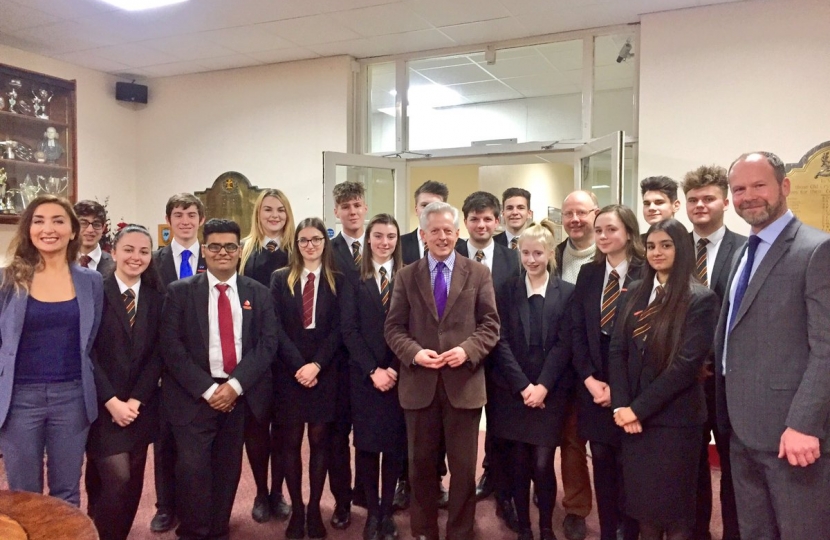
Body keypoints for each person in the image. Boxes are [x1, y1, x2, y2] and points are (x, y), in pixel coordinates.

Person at [715, 152, 830, 539]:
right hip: (741, 428)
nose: (748, 196)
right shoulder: (744, 251)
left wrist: (804, 423)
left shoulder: (817, 250)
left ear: (784, 186)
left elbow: (827, 347)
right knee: (755, 531)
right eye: (739, 189)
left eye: (758, 185)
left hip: (789, 434)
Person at [384, 201, 500, 540]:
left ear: (458, 232)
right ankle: (423, 530)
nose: (442, 236)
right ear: (422, 234)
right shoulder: (406, 276)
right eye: (434, 230)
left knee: (463, 470)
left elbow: (491, 325)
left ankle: (461, 531)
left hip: (463, 385)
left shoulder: (478, 273)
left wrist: (466, 350)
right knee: (420, 466)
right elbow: (393, 328)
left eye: (449, 230)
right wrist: (415, 354)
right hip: (419, 384)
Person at [160, 218, 278, 540]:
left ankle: (219, 529)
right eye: (214, 246)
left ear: (239, 251)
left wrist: (234, 386)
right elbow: (171, 347)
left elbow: (267, 345)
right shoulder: (180, 293)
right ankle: (195, 532)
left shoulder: (259, 293)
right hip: (194, 394)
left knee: (228, 469)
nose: (222, 252)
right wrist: (210, 389)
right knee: (193, 469)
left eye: (230, 246)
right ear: (205, 250)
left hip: (239, 394)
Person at [610, 218, 719, 540]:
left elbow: (685, 366)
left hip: (674, 422)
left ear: (681, 249)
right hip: (633, 422)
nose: (657, 252)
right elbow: (617, 350)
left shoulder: (699, 298)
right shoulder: (633, 293)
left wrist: (637, 410)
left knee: (675, 513)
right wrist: (620, 406)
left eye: (666, 245)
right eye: (652, 245)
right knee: (644, 509)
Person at [0, 195, 103, 506]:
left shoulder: (92, 281)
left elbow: (91, 338)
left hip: (72, 396)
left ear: (73, 231)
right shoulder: (7, 278)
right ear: (29, 229)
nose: (49, 228)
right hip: (19, 398)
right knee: (23, 494)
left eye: (58, 220)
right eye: (39, 220)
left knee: (67, 492)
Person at [492, 219, 574, 540]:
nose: (531, 259)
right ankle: (525, 527)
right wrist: (524, 386)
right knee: (519, 465)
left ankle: (545, 527)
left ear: (551, 253)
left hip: (549, 393)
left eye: (538, 253)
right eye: (525, 253)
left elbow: (564, 344)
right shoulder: (506, 290)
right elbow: (500, 341)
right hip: (513, 392)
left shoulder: (567, 293)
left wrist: (542, 387)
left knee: (542, 464)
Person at [86, 224, 164, 540]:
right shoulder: (94, 291)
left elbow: (159, 352)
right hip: (101, 403)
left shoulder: (159, 296)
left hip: (139, 405)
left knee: (132, 480)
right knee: (115, 476)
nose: (136, 257)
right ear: (113, 251)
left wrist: (135, 400)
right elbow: (85, 350)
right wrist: (111, 401)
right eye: (129, 249)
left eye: (144, 251)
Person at [571, 205, 644, 540]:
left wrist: (620, 389)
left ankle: (629, 531)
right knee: (600, 458)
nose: (602, 236)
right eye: (598, 230)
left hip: (631, 387)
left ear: (629, 232)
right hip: (594, 385)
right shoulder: (588, 274)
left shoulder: (647, 272)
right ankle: (606, 530)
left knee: (628, 464)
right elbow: (575, 331)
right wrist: (588, 379)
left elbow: (650, 340)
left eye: (611, 229)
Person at [271, 217, 345, 540]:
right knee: (289, 443)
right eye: (303, 240)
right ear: (296, 244)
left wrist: (316, 365)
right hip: (289, 372)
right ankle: (297, 509)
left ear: (324, 243)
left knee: (319, 442)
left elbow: (341, 329)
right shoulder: (279, 279)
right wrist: (299, 365)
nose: (310, 245)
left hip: (325, 371)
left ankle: (314, 508)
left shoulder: (337, 280)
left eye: (316, 239)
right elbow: (273, 327)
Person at [681, 165, 745, 540]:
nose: (700, 205)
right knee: (691, 467)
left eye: (708, 198)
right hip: (684, 380)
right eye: (693, 199)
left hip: (727, 380)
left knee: (734, 468)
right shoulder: (671, 249)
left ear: (724, 201)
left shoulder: (745, 249)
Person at [455, 191, 521, 532]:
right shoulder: (449, 254)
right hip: (460, 356)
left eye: (487, 219)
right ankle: (456, 490)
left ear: (497, 222)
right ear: (464, 221)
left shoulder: (514, 258)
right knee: (459, 428)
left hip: (504, 356)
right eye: (474, 218)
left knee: (501, 426)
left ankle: (500, 483)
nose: (481, 225)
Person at [340, 213, 406, 540]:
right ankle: (371, 513)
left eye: (391, 236)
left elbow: (412, 329)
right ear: (368, 239)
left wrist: (393, 368)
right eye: (378, 236)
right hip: (364, 377)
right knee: (366, 445)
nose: (384, 242)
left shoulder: (408, 278)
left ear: (398, 241)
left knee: (393, 446)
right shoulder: (354, 277)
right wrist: (373, 370)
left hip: (398, 375)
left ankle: (387, 513)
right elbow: (349, 330)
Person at [150, 192, 207, 533]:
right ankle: (164, 506)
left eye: (190, 214)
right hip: (165, 367)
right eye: (178, 214)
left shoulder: (214, 257)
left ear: (200, 219)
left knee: (196, 446)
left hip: (203, 365)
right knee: (165, 440)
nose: (185, 220)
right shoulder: (154, 261)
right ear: (169, 221)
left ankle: (195, 505)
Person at [238, 188, 295, 523]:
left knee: (285, 432)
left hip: (288, 354)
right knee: (257, 430)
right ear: (258, 213)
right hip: (254, 353)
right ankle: (260, 492)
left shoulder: (297, 250)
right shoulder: (245, 251)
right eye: (268, 210)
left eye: (280, 210)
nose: (274, 216)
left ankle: (278, 492)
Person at [554, 190, 598, 540]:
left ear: (595, 214)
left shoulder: (609, 254)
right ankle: (576, 508)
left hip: (597, 364)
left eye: (582, 212)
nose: (575, 220)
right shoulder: (553, 256)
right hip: (558, 362)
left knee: (598, 440)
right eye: (569, 214)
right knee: (570, 440)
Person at [327, 180, 370, 528]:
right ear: (337, 212)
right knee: (337, 437)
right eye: (346, 207)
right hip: (337, 361)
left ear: (364, 208)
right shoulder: (327, 249)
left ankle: (368, 494)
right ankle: (342, 501)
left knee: (371, 433)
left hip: (372, 359)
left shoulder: (381, 244)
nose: (353, 212)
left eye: (357, 205)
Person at [401, 180, 449, 265]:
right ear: (416, 210)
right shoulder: (399, 244)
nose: (429, 210)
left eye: (435, 206)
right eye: (424, 205)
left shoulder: (458, 246)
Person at [74, 199, 114, 275]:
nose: (90, 230)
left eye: (96, 224)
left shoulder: (116, 265)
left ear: (103, 228)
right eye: (83, 223)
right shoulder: (61, 262)